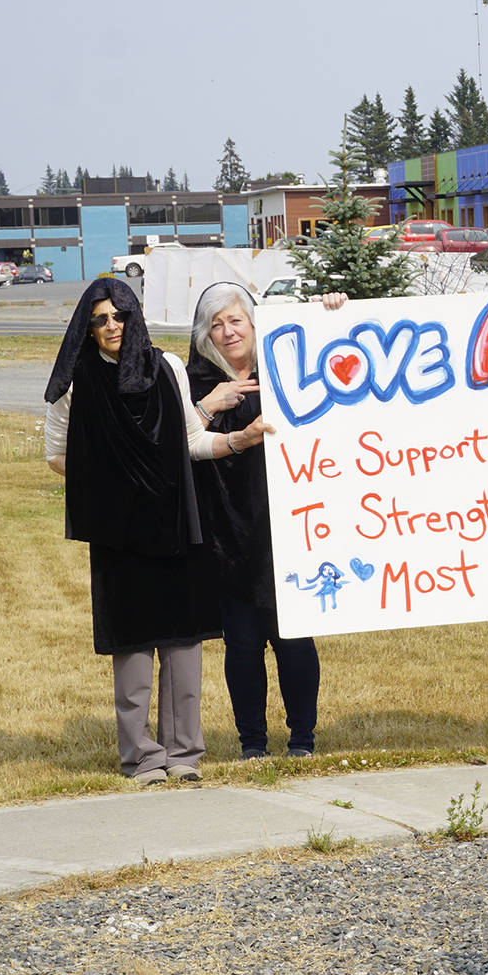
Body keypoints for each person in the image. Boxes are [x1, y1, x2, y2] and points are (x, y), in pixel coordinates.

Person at [44, 278, 264, 786]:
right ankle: (142, 756)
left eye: (118, 315)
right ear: (88, 327)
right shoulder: (76, 381)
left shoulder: (168, 368)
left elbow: (191, 439)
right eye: (99, 319)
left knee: (185, 645)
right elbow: (57, 455)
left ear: (133, 316)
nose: (111, 326)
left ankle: (184, 752)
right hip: (119, 530)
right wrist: (108, 480)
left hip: (177, 520)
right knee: (134, 645)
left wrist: (239, 439)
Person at [188, 282, 345, 759]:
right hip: (228, 533)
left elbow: (342, 361)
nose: (227, 331)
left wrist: (333, 311)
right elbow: (174, 441)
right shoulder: (197, 384)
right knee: (242, 644)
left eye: (235, 320)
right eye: (216, 324)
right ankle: (252, 744)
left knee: (295, 639)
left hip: (294, 527)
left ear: (255, 324)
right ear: (204, 336)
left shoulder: (288, 367)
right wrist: (210, 406)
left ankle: (303, 740)